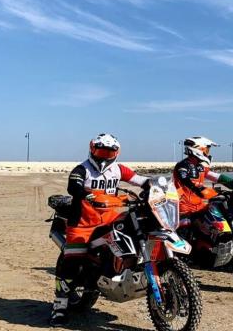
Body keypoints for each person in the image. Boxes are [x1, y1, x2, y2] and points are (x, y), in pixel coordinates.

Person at [50, 134, 148, 326]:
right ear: (92, 149)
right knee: (72, 259)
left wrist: (156, 185)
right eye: (100, 151)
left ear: (116, 153)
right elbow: (74, 186)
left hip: (109, 219)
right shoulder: (82, 169)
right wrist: (87, 195)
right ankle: (59, 307)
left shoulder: (118, 170)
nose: (104, 156)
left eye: (108, 152)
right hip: (82, 224)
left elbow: (139, 179)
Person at [172, 136, 233, 217]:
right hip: (185, 208)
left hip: (200, 206)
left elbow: (215, 177)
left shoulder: (200, 167)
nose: (208, 153)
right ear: (198, 149)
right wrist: (198, 189)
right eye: (206, 150)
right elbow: (184, 178)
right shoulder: (183, 165)